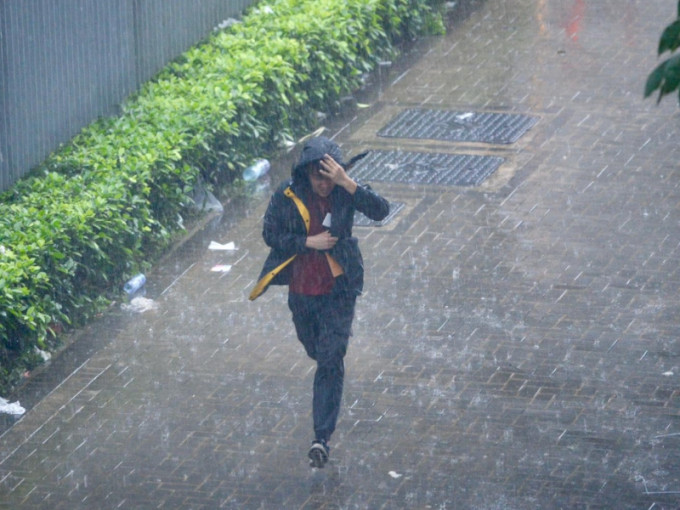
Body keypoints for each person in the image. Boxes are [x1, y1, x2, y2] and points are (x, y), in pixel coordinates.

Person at [249, 136, 389, 468]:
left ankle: (320, 438)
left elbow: (381, 210)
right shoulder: (287, 194)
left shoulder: (344, 188)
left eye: (329, 177)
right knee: (316, 349)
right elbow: (271, 234)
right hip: (303, 291)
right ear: (306, 175)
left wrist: (347, 181)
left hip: (340, 288)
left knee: (330, 358)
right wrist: (306, 242)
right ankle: (328, 368)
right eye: (317, 177)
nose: (324, 184)